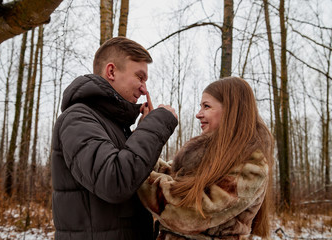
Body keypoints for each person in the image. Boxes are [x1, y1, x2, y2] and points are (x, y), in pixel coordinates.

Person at [51, 36, 178, 240]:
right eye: (140, 77)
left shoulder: (114, 125)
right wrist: (156, 125)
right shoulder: (77, 118)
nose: (144, 88)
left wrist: (141, 131)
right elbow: (114, 181)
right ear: (111, 71)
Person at [138, 77, 274, 240]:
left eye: (206, 106)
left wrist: (136, 173)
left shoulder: (251, 165)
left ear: (231, 111)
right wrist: (144, 137)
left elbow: (190, 213)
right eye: (200, 106)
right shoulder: (208, 154)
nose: (198, 114)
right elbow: (171, 175)